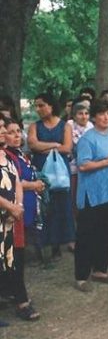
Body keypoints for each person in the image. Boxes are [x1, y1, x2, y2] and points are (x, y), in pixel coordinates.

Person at [73, 99, 108, 292]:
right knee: (87, 234)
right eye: (102, 113)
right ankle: (81, 276)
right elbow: (83, 165)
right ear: (94, 117)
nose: (106, 117)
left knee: (107, 232)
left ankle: (100, 269)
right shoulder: (88, 138)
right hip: (92, 194)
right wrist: (107, 161)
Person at [0, 117, 41, 321]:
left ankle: (14, 294)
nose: (13, 134)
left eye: (18, 131)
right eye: (8, 130)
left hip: (14, 214)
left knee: (15, 256)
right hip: (4, 215)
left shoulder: (11, 156)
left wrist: (19, 206)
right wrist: (10, 206)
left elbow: (16, 180)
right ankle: (20, 300)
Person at [27, 92, 76, 260]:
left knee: (59, 206)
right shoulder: (34, 125)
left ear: (51, 105)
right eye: (37, 106)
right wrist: (55, 145)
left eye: (41, 105)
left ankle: (57, 244)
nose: (38, 109)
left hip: (60, 172)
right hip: (41, 171)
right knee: (42, 208)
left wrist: (45, 148)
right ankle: (41, 244)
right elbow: (32, 144)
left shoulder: (65, 126)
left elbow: (67, 148)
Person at [68, 102, 94, 214]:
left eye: (86, 113)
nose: (84, 116)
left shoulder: (91, 127)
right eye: (80, 113)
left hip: (89, 166)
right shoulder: (68, 126)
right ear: (74, 115)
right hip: (73, 166)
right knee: (73, 196)